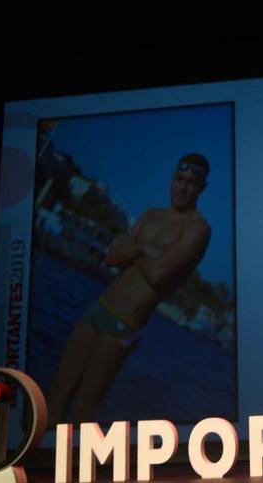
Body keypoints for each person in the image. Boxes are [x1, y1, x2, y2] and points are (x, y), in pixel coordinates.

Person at [47, 153, 212, 425]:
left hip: (125, 323)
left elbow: (158, 276)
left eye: (191, 182)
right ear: (172, 178)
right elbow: (112, 256)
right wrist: (147, 249)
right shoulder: (151, 215)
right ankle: (48, 465)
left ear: (201, 188)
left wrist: (132, 248)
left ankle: (81, 468)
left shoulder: (198, 229)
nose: (182, 187)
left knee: (83, 414)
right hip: (99, 309)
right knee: (56, 396)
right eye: (179, 178)